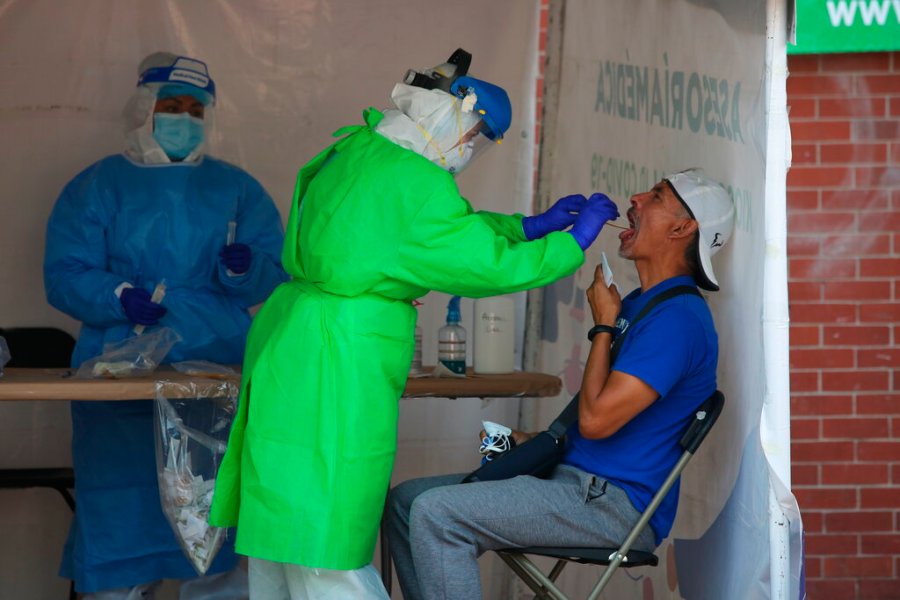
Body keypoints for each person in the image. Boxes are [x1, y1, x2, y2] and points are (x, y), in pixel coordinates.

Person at [208, 48, 619, 599]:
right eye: (474, 136)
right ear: (455, 116)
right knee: (326, 539)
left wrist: (523, 226)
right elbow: (478, 262)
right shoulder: (417, 185)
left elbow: (427, 234)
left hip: (295, 345)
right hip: (338, 357)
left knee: (282, 530)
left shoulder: (360, 148)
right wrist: (568, 243)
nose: (469, 150)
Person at [385, 169, 736, 599]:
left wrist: (603, 327)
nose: (637, 198)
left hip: (612, 506)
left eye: (657, 196)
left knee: (438, 514)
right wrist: (535, 440)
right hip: (570, 481)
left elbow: (596, 422)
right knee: (405, 502)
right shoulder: (642, 303)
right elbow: (592, 423)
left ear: (682, 228)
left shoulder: (678, 320)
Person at [44, 51, 288, 598]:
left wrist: (241, 272)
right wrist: (117, 295)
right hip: (118, 368)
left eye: (195, 110)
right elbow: (63, 273)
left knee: (215, 513)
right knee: (121, 508)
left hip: (217, 367)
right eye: (171, 106)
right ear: (143, 110)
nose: (184, 119)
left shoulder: (237, 190)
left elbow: (271, 275)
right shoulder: (97, 187)